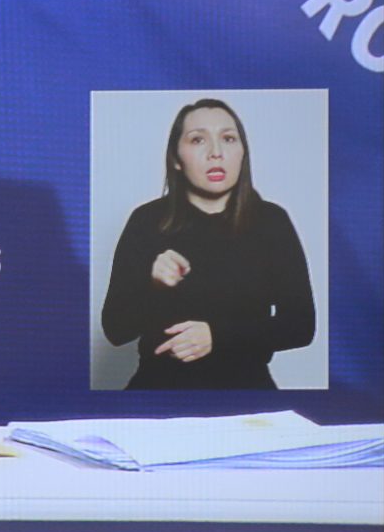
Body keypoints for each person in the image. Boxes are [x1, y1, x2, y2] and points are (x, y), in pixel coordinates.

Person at [99, 97, 316, 390]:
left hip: (247, 395)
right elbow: (115, 331)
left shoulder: (271, 221)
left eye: (228, 139)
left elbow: (301, 326)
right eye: (197, 140)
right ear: (176, 159)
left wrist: (217, 336)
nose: (216, 152)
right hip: (159, 393)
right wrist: (152, 284)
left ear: (242, 153)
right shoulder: (146, 220)